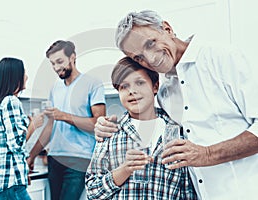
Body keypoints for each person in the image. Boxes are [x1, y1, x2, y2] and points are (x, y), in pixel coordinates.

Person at [94, 10, 258, 199]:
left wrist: (206, 154)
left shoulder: (221, 57)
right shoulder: (164, 90)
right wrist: (103, 126)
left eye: (150, 43)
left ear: (167, 29)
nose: (151, 58)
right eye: (139, 57)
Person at [86, 56, 197, 199]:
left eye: (139, 83)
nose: (132, 91)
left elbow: (187, 191)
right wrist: (124, 170)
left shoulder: (178, 132)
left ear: (155, 86)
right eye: (124, 86)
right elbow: (92, 191)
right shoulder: (110, 133)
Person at [27, 40, 106, 200]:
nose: (56, 67)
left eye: (60, 61)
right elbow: (50, 128)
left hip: (80, 159)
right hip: (54, 158)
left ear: (72, 57)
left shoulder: (92, 83)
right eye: (52, 64)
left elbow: (98, 123)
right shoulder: (55, 88)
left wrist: (63, 116)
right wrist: (32, 156)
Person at [0, 57, 44, 200]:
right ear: (15, 76)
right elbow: (16, 143)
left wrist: (21, 175)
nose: (27, 77)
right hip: (10, 185)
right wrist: (33, 125)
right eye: (24, 73)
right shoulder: (11, 101)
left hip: (3, 183)